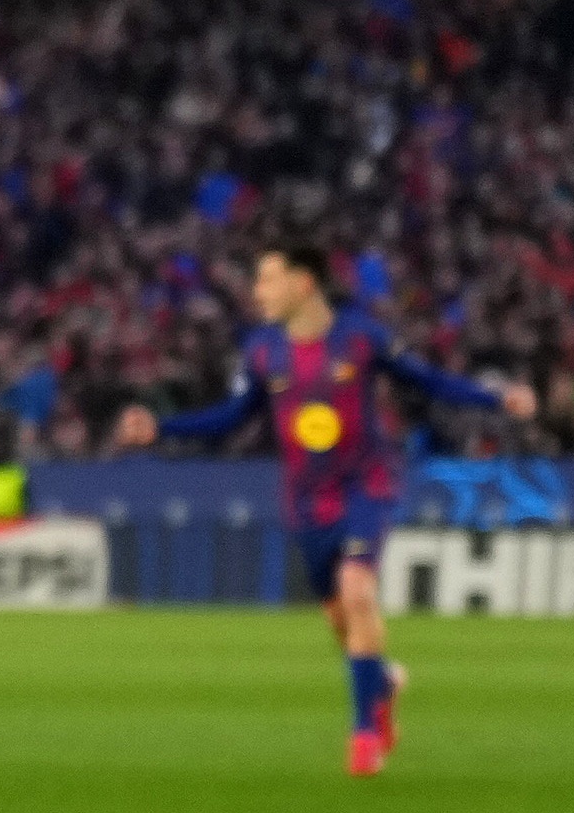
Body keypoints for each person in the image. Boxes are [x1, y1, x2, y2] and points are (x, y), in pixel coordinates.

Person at [116, 241, 534, 775]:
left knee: (358, 590)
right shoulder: (263, 351)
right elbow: (234, 415)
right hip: (307, 500)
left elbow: (428, 380)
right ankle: (380, 682)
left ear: (304, 282)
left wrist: (497, 399)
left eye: (268, 279)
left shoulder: (361, 337)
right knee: (339, 616)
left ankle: (364, 735)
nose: (257, 291)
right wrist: (161, 429)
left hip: (368, 483)